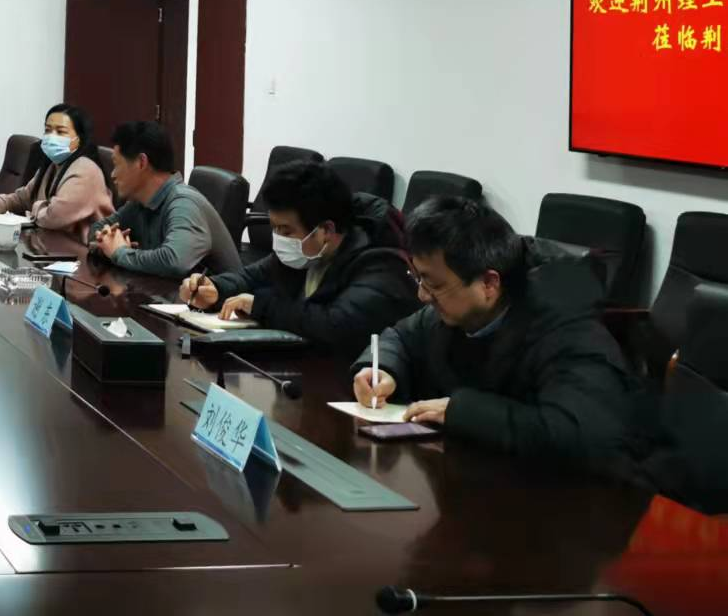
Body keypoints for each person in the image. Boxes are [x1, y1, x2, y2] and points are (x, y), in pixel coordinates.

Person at [351, 197, 646, 474]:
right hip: (478, 476)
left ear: (489, 283)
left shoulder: (567, 329)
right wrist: (383, 369)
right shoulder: (453, 310)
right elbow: (400, 337)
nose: (422, 296)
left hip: (563, 496)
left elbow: (583, 434)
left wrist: (463, 412)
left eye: (433, 284)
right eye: (418, 279)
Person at [179, 160, 418, 354]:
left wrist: (260, 305)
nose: (278, 238)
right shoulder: (305, 253)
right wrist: (216, 288)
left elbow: (337, 326)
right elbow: (252, 276)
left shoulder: (381, 264)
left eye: (286, 231)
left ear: (326, 230)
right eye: (274, 228)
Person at [85, 121, 240, 276]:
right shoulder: (139, 203)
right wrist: (107, 242)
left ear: (141, 162)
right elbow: (96, 229)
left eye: (117, 164)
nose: (113, 174)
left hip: (218, 291)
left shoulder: (183, 203)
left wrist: (120, 253)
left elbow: (175, 261)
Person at [0, 103, 113, 240]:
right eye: (48, 130)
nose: (52, 137)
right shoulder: (52, 166)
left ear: (79, 139)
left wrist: (35, 208)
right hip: (53, 244)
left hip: (84, 249)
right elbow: (23, 199)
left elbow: (55, 217)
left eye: (61, 132)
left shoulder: (85, 170)